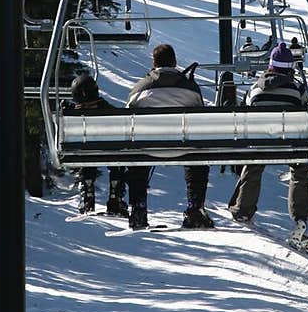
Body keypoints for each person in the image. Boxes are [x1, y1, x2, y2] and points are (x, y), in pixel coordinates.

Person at [227, 42, 308, 240]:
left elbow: (244, 113)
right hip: (291, 145)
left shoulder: (255, 90)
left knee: (253, 166)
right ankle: (300, 216)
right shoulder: (297, 89)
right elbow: (307, 112)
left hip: (260, 144)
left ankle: (243, 209)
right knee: (299, 170)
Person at [125, 42, 213, 230]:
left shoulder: (141, 88)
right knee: (198, 160)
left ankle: (139, 209)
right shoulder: (190, 87)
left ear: (154, 63)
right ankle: (194, 208)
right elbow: (200, 115)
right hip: (184, 147)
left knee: (135, 162)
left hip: (148, 148)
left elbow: (128, 116)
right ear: (174, 62)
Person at [65, 73, 128, 216]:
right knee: (117, 160)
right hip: (111, 152)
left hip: (84, 153)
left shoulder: (72, 116)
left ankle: (87, 196)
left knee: (86, 156)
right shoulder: (109, 111)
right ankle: (115, 197)